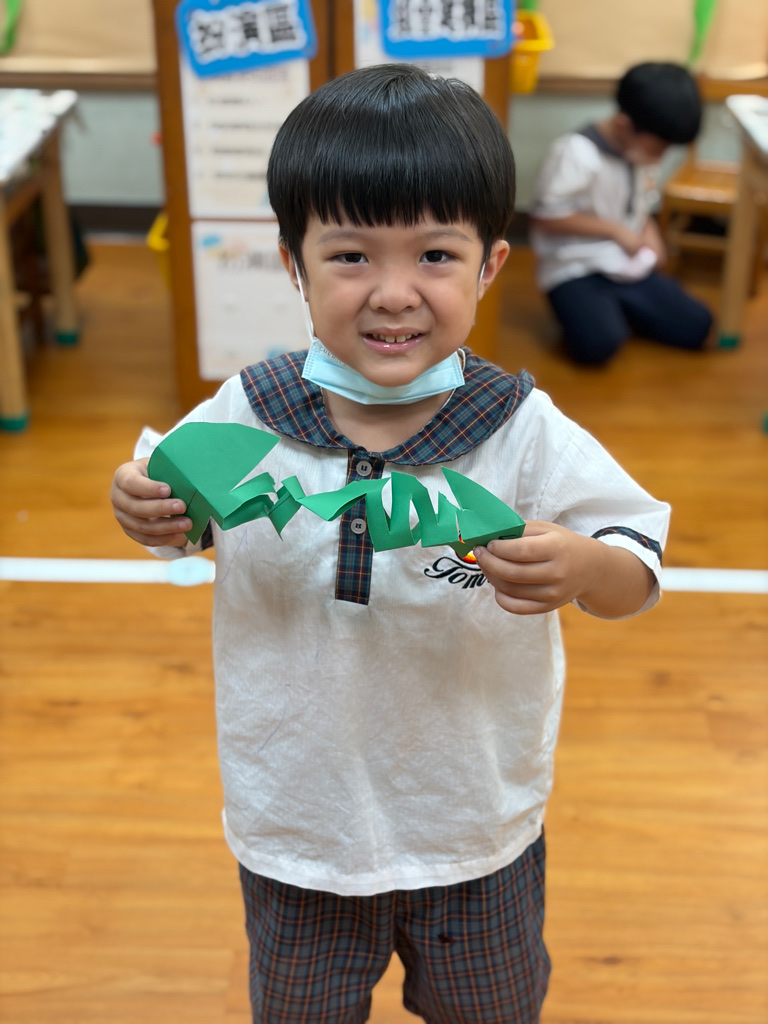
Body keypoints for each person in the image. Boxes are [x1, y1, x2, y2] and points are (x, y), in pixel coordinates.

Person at [111, 64, 670, 1024]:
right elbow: (175, 512)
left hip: (474, 827)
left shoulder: (519, 427)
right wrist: (144, 506)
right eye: (351, 256)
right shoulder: (251, 409)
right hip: (300, 830)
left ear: (490, 265)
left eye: (437, 255)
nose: (394, 294)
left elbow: (635, 567)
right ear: (294, 263)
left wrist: (585, 566)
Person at [529, 61, 713, 366]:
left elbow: (640, 204)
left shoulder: (636, 150)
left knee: (699, 325)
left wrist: (650, 232)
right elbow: (545, 217)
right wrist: (615, 231)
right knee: (597, 347)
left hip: (624, 262)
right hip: (575, 268)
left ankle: (615, 308)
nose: (660, 158)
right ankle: (609, 311)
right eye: (658, 149)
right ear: (624, 126)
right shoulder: (575, 153)